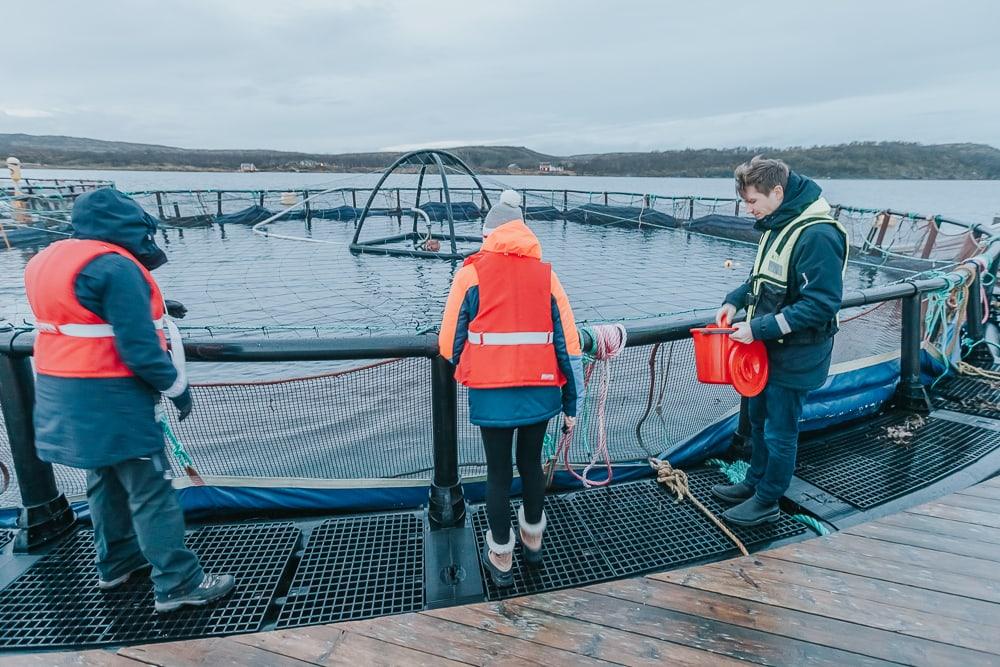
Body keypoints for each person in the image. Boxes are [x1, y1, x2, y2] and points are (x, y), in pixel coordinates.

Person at [24, 188, 235, 612]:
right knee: (151, 489)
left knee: (103, 480)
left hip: (61, 390)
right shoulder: (116, 268)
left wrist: (151, 308)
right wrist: (176, 388)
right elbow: (139, 350)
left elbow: (80, 311)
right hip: (112, 396)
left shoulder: (47, 258)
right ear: (129, 227)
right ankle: (179, 583)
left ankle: (116, 562)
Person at [439, 189, 584, 586]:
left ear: (488, 235)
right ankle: (533, 544)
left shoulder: (470, 273)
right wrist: (572, 402)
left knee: (498, 472)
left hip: (491, 393)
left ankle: (501, 558)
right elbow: (569, 346)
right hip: (540, 393)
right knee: (532, 465)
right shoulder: (547, 275)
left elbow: (448, 344)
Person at [712, 157, 848, 526]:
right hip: (766, 352)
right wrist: (733, 300)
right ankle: (754, 482)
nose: (748, 209)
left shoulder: (818, 235)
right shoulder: (776, 223)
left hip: (798, 353)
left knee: (780, 430)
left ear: (778, 192)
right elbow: (761, 278)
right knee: (758, 420)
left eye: (753, 201)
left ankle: (768, 500)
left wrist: (759, 329)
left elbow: (821, 304)